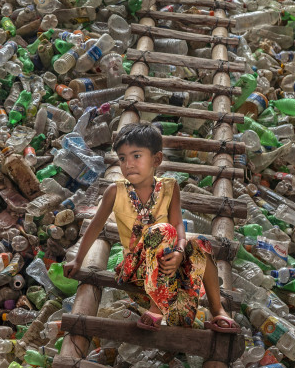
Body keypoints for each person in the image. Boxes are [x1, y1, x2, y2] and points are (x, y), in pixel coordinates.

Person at [64, 122, 239, 332]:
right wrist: (78, 259)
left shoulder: (169, 187)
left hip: (168, 269)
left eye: (136, 156)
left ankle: (218, 310)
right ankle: (156, 308)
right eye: (122, 158)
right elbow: (94, 227)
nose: (128, 164)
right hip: (137, 270)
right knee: (161, 230)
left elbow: (178, 225)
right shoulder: (115, 191)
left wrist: (179, 252)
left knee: (200, 244)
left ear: (157, 159)